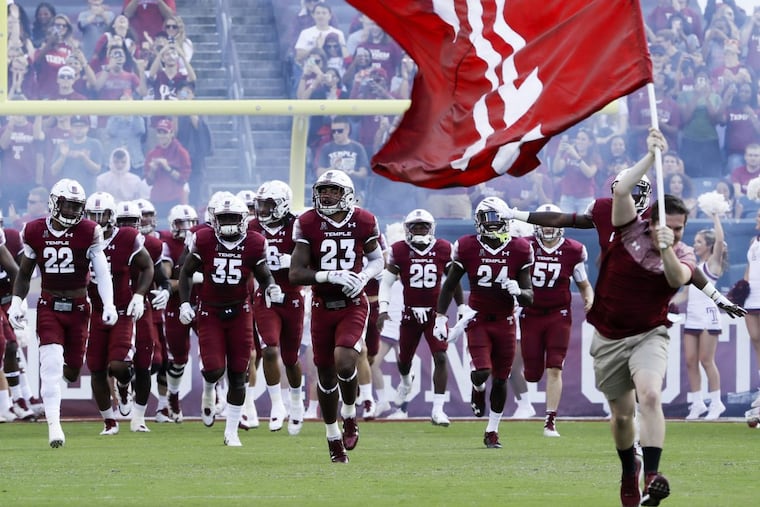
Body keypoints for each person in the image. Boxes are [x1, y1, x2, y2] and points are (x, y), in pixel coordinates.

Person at [583, 129, 694, 506]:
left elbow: (679, 279)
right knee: (622, 418)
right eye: (671, 228)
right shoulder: (626, 227)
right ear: (654, 220)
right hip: (609, 335)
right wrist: (649, 156)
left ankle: (653, 474)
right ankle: (629, 469)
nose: (677, 234)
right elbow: (621, 190)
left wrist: (667, 249)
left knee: (650, 394)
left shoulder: (682, 254)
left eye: (681, 229)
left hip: (649, 334)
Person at [7, 178, 118, 448]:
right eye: (66, 206)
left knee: (71, 370)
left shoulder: (89, 230)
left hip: (79, 308)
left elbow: (102, 271)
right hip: (49, 305)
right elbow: (23, 273)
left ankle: (56, 416)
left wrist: (109, 303)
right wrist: (16, 302)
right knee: (51, 365)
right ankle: (54, 428)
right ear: (54, 203)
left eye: (75, 207)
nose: (70, 212)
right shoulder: (33, 230)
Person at [289, 170, 384, 463]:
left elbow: (378, 259)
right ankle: (332, 436)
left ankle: (350, 414)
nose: (327, 195)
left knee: (345, 359)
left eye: (333, 190)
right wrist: (330, 274)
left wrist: (364, 275)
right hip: (321, 304)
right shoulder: (307, 222)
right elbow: (296, 272)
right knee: (326, 375)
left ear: (348, 194)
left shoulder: (364, 220)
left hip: (353, 303)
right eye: (323, 190)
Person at [178, 195, 282, 447]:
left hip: (240, 311)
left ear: (243, 219)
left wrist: (271, 287)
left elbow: (263, 273)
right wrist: (184, 302)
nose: (227, 223)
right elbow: (186, 272)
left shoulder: (255, 242)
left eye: (232, 218)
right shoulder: (203, 239)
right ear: (214, 220)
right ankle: (208, 389)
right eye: (223, 218)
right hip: (210, 311)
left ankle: (231, 431)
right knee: (214, 368)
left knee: (238, 373)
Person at [435, 196, 534, 449]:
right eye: (486, 219)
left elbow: (530, 296)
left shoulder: (520, 248)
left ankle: (492, 430)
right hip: (477, 318)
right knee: (482, 372)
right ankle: (477, 386)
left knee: (501, 379)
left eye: (496, 219)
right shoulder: (467, 246)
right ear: (477, 221)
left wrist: (519, 291)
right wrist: (441, 316)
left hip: (505, 320)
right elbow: (450, 284)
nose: (491, 225)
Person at [378, 208, 462, 426]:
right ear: (408, 229)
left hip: (435, 315)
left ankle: (438, 409)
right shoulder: (399, 250)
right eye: (415, 226)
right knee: (404, 361)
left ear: (431, 228)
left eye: (423, 226)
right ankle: (406, 382)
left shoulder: (443, 248)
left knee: (441, 357)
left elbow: (453, 281)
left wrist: (462, 307)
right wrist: (383, 308)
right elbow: (386, 283)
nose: (419, 230)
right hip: (410, 314)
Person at [519, 203, 594, 437]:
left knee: (555, 366)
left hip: (558, 315)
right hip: (530, 314)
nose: (549, 228)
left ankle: (550, 420)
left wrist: (589, 300)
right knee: (532, 373)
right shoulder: (525, 246)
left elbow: (584, 284)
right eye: (544, 223)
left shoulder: (573, 250)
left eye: (552, 223)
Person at [83, 191, 154, 435]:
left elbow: (147, 267)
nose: (96, 219)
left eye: (101, 215)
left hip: (122, 310)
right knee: (96, 368)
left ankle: (124, 386)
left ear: (112, 216)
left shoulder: (126, 237)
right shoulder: (80, 237)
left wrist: (139, 294)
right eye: (91, 214)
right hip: (93, 311)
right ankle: (109, 421)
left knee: (120, 365)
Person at [247, 181, 306, 435]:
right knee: (269, 349)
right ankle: (276, 405)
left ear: (281, 204)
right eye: (260, 204)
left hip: (291, 295)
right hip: (265, 296)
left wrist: (290, 261)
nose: (262, 210)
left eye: (268, 204)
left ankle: (296, 400)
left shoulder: (297, 225)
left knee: (291, 358)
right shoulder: (252, 226)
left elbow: (311, 259)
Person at [677, 211, 729, 420]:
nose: (695, 245)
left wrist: (715, 216)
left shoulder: (713, 265)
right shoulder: (694, 267)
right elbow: (685, 295)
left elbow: (720, 240)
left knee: (706, 360)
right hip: (692, 316)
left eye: (699, 242)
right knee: (690, 360)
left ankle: (716, 403)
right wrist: (667, 304)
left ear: (708, 245)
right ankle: (697, 403)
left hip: (708, 316)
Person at [158, 203, 199, 422]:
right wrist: (186, 280)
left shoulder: (202, 240)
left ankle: (217, 394)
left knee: (215, 352)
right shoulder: (167, 245)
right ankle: (173, 396)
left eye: (190, 223)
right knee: (179, 358)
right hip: (176, 305)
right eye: (181, 223)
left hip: (203, 302)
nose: (186, 228)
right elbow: (166, 279)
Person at [144, 119, 191, 218]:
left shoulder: (181, 153)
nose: (162, 136)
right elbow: (149, 181)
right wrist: (152, 170)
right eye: (159, 132)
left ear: (171, 133)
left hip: (175, 199)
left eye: (165, 132)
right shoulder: (152, 154)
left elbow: (184, 179)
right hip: (157, 199)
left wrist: (167, 168)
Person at [49, 115, 105, 196]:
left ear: (88, 127)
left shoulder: (95, 144)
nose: (79, 129)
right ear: (71, 128)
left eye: (82, 126)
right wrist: (63, 156)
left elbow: (97, 170)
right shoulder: (64, 144)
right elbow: (54, 171)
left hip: (87, 192)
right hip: (67, 193)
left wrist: (84, 158)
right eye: (75, 126)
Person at [315, 117, 370, 200]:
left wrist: (351, 173)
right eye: (333, 131)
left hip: (353, 193)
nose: (336, 134)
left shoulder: (358, 148)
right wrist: (332, 169)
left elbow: (364, 173)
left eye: (340, 131)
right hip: (331, 194)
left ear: (347, 129)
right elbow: (319, 173)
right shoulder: (326, 148)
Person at [740, 207, 760, 412]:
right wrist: (742, 286)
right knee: (756, 340)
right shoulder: (753, 242)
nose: (757, 218)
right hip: (751, 297)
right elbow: (749, 267)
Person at [552, 128, 601, 213]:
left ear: (590, 142)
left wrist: (576, 156)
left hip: (585, 198)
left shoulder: (594, 157)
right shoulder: (568, 154)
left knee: (583, 224)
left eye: (583, 139)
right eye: (578, 138)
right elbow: (556, 169)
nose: (579, 141)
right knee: (566, 224)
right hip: (567, 197)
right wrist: (559, 153)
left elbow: (589, 173)